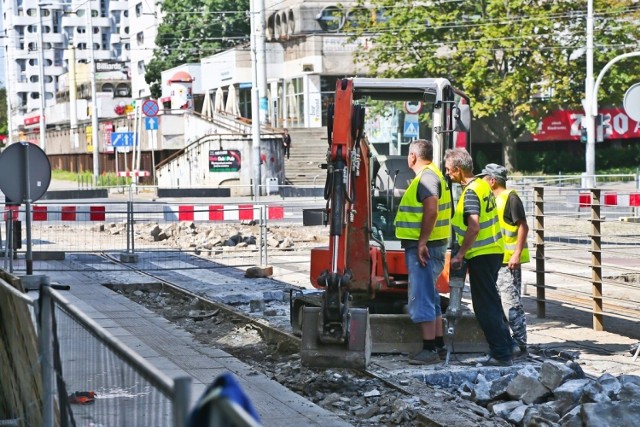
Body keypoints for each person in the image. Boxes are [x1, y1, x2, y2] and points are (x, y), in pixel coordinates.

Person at [444, 148, 514, 366]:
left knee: (485, 307)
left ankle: (501, 353)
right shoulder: (483, 185)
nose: (447, 174)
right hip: (493, 251)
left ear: (457, 169)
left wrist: (460, 254)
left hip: (481, 254)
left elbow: (473, 226)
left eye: (448, 170)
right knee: (491, 301)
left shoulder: (471, 191)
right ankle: (508, 345)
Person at [394, 139, 451, 364]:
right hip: (433, 244)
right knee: (432, 296)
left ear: (413, 157)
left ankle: (428, 350)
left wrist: (421, 242)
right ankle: (438, 346)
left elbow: (431, 210)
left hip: (425, 248)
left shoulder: (426, 178)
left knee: (422, 297)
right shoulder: (434, 175)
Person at [477, 163, 529, 357]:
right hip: (497, 260)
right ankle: (508, 340)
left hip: (508, 261)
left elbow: (523, 227)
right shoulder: (491, 199)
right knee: (499, 303)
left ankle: (520, 343)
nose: (481, 181)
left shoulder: (510, 198)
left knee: (511, 303)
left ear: (492, 180)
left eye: (484, 178)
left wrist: (516, 254)